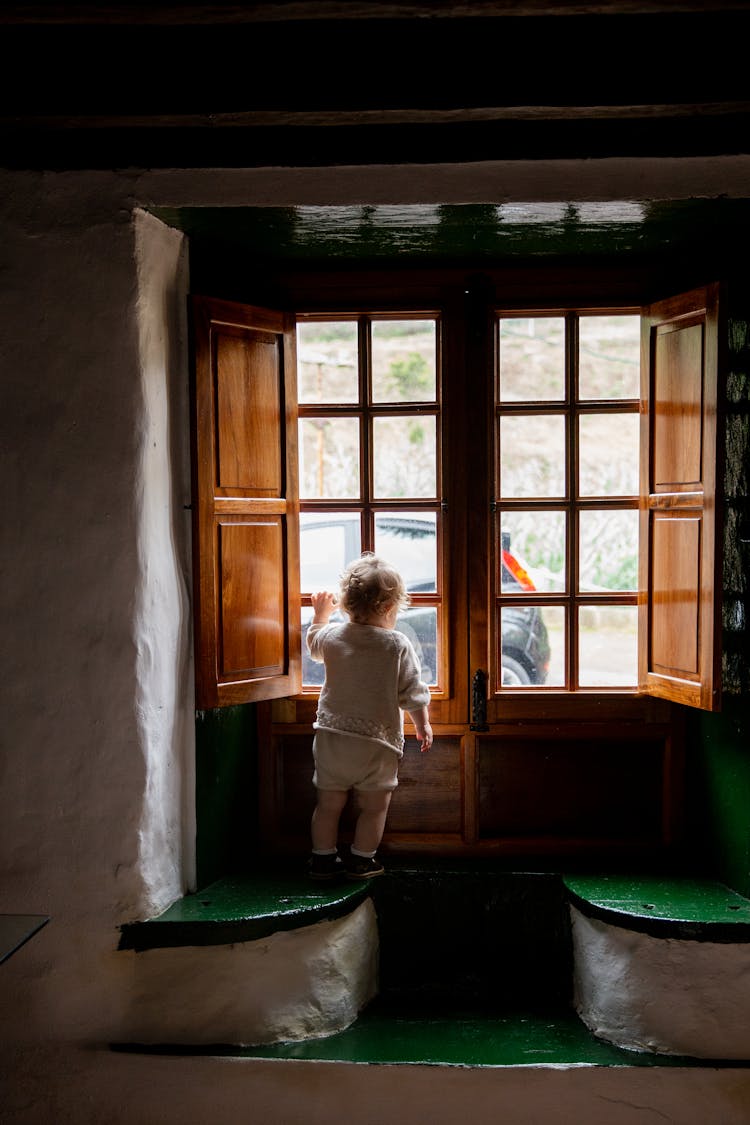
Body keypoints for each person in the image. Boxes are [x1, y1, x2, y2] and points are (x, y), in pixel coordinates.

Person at [306, 553, 433, 880]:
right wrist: (423, 724)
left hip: (333, 737)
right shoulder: (396, 644)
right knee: (375, 806)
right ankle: (362, 860)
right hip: (377, 742)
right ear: (391, 608)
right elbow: (412, 691)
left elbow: (314, 644)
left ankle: (322, 860)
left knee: (328, 805)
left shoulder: (333, 636)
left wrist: (320, 615)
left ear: (346, 605)